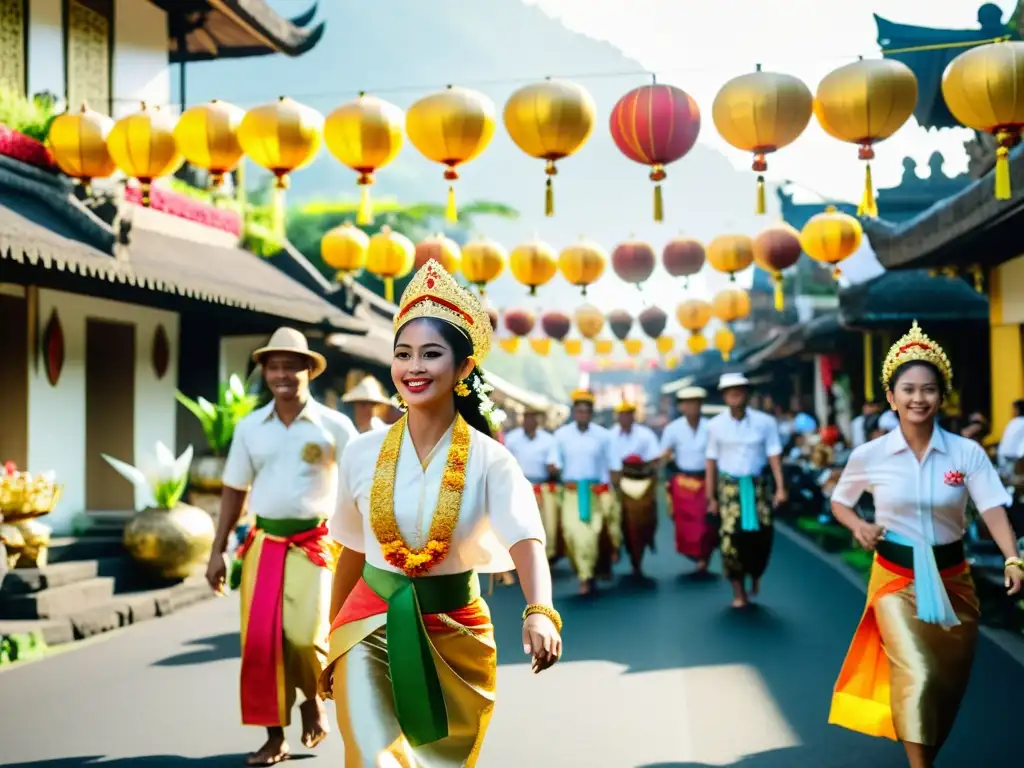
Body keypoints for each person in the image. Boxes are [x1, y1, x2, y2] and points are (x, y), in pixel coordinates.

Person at [319, 260, 561, 767]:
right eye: (403, 354)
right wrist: (329, 640)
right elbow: (351, 552)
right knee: (373, 757)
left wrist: (540, 611)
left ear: (464, 368)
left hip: (456, 633)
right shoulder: (362, 453)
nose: (414, 367)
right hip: (368, 625)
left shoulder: (491, 458)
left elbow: (526, 539)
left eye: (431, 354)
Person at [827, 321, 1023, 768]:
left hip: (955, 580)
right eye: (908, 389)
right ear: (891, 397)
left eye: (929, 389)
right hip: (895, 581)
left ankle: (925, 756)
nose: (919, 398)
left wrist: (1013, 558)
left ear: (942, 395)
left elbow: (993, 507)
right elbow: (841, 501)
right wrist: (858, 524)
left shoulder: (966, 453)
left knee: (945, 683)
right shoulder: (870, 455)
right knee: (917, 673)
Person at [205, 327, 358, 766]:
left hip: (317, 544)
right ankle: (275, 736)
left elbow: (360, 485)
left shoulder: (335, 425)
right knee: (261, 645)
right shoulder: (250, 427)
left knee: (307, 639)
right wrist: (217, 551)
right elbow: (234, 490)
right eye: (274, 366)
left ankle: (313, 700)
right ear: (264, 372)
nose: (282, 374)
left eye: (291, 366)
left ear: (309, 370)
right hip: (264, 543)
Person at [705, 373, 786, 609]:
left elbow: (774, 455)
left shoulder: (765, 423)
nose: (735, 394)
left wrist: (781, 488)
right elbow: (711, 461)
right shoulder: (715, 426)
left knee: (762, 537)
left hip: (758, 487)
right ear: (723, 396)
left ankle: (756, 574)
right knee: (730, 540)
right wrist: (711, 497)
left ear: (747, 393)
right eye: (730, 390)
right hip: (729, 489)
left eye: (739, 389)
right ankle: (738, 590)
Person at [548, 389, 621, 595]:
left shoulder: (603, 436)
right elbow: (554, 462)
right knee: (572, 533)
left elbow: (614, 465)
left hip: (595, 493)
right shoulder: (561, 435)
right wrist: (553, 468)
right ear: (574, 412)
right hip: (570, 493)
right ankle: (583, 571)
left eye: (586, 411)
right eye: (579, 411)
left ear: (591, 413)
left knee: (591, 536)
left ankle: (587, 576)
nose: (582, 415)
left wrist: (615, 491)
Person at [661, 386, 716, 575]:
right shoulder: (672, 429)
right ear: (682, 407)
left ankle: (704, 557)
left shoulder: (711, 427)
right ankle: (693, 553)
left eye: (696, 403)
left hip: (706, 479)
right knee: (685, 521)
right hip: (683, 481)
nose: (692, 407)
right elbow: (665, 456)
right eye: (688, 403)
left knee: (706, 522)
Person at [609, 401, 661, 581]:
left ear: (633, 416)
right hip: (618, 483)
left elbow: (655, 460)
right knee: (612, 519)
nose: (625, 418)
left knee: (642, 521)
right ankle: (614, 550)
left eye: (628, 414)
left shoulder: (645, 435)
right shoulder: (610, 436)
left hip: (641, 483)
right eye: (622, 415)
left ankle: (638, 558)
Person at [504, 407, 562, 564]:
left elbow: (553, 463)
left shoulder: (549, 440)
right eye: (526, 417)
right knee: (521, 525)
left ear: (539, 420)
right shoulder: (512, 438)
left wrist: (554, 468)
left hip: (542, 488)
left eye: (533, 417)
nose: (529, 421)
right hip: (519, 488)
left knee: (545, 524)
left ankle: (544, 556)